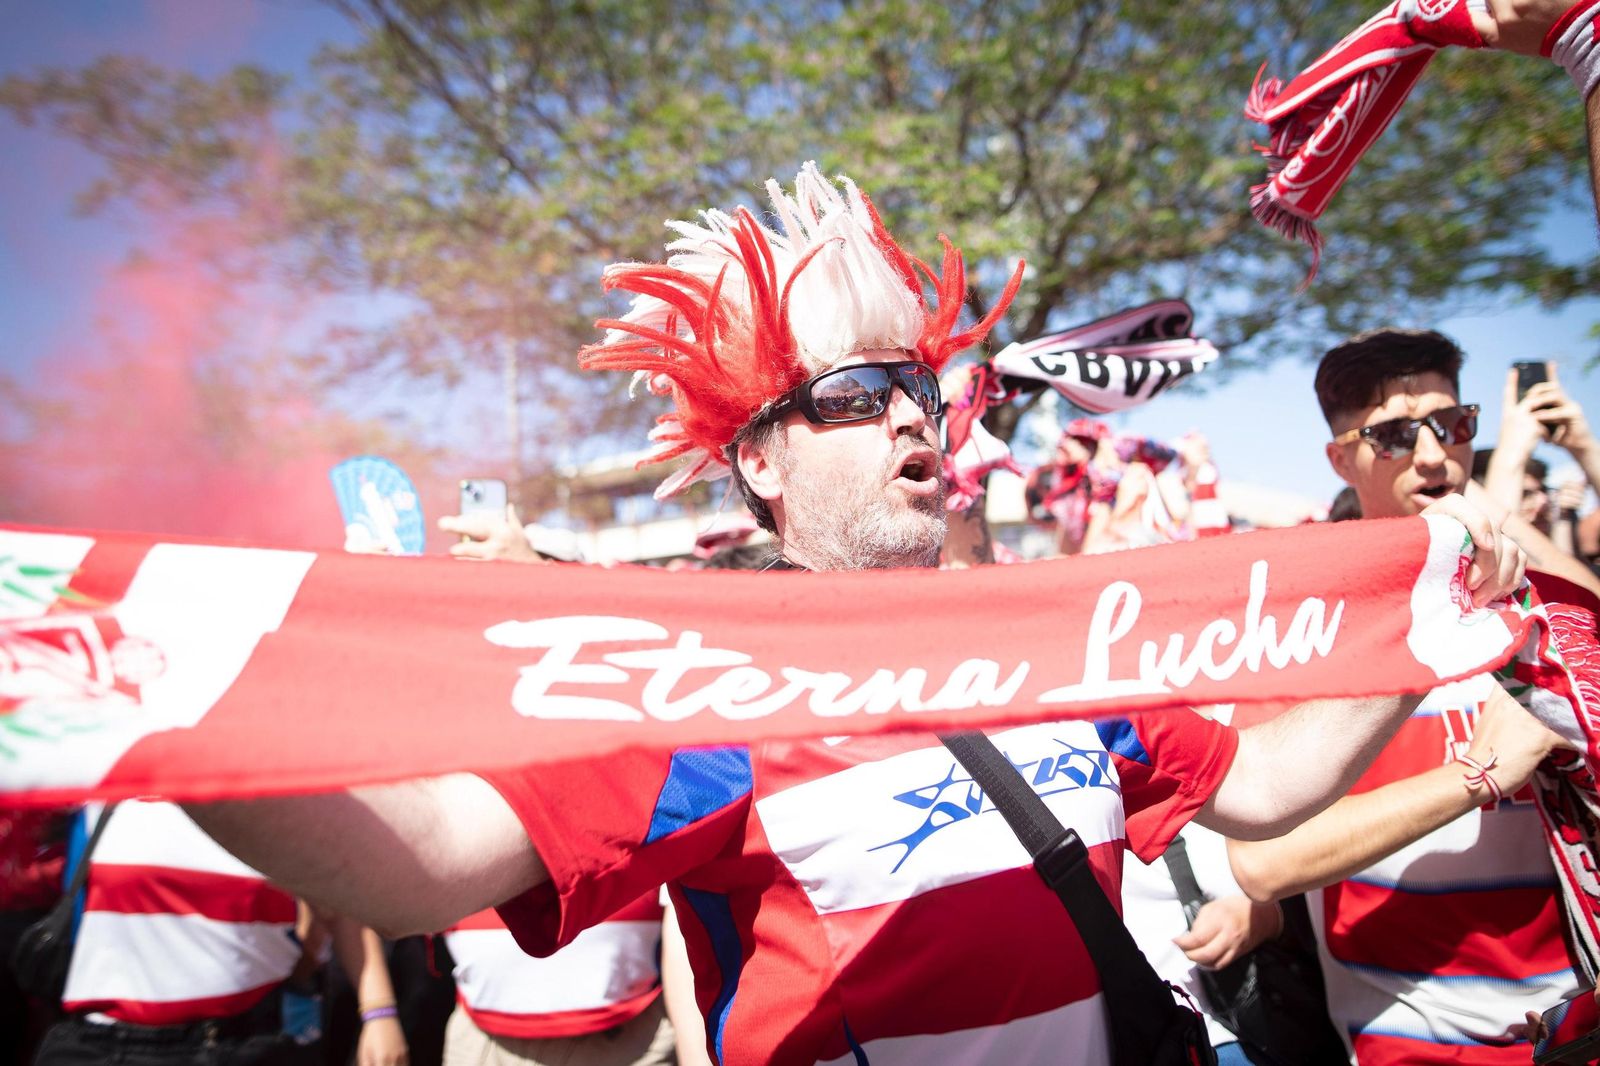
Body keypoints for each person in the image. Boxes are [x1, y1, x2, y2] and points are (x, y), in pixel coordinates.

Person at [179, 163, 1528, 1066]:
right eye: (849, 391)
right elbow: (408, 864)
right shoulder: (703, 687)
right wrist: (164, 695)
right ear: (757, 459)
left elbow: (1270, 786)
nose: (906, 410)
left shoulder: (1060, 637)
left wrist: (1429, 635)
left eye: (914, 384)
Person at [1228, 328, 1585, 1064]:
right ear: (1340, 459)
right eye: (1393, 434)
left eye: (1454, 427)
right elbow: (1265, 862)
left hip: (1578, 1023)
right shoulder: (1300, 625)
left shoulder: (1532, 599)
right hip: (1415, 1044)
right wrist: (1477, 773)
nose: (1433, 455)